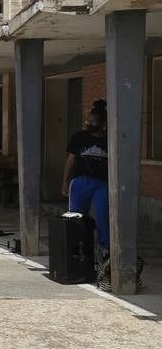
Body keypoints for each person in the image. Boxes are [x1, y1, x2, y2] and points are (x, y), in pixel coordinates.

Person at [63, 100, 109, 258]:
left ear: (103, 123)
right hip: (81, 180)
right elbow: (71, 160)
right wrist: (65, 181)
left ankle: (106, 250)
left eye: (92, 121)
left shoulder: (109, 139)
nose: (89, 123)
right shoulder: (79, 137)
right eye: (87, 120)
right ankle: (76, 248)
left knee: (103, 216)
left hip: (102, 182)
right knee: (76, 216)